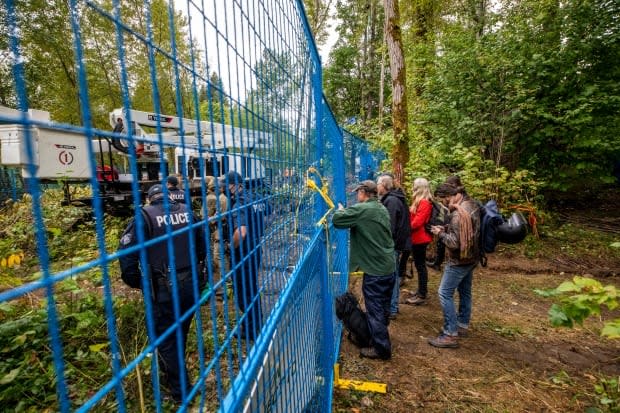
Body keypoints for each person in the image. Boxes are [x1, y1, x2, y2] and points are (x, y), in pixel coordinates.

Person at [118, 184, 206, 402]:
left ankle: (181, 391)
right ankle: (174, 375)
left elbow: (127, 258)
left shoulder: (144, 217)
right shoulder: (188, 212)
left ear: (149, 199)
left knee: (164, 340)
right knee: (180, 331)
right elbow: (202, 247)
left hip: (164, 290)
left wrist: (141, 283)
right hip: (191, 285)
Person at [332, 180, 396, 360]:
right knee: (382, 307)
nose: (356, 196)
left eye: (358, 192)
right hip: (388, 266)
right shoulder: (380, 207)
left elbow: (337, 220)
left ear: (363, 192)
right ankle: (378, 334)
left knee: (374, 308)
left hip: (375, 270)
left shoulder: (364, 210)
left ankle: (381, 349)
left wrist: (341, 211)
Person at [428, 182, 481, 348]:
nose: (444, 204)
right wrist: (447, 227)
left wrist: (441, 233)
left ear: (450, 196)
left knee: (444, 293)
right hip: (472, 258)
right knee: (465, 291)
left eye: (444, 200)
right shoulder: (471, 204)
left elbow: (454, 243)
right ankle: (462, 324)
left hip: (459, 260)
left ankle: (450, 334)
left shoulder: (458, 214)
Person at [221, 171, 269, 343]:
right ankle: (255, 321)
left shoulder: (239, 204)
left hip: (243, 251)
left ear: (234, 185)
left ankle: (250, 329)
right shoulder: (255, 197)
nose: (224, 189)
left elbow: (240, 233)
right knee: (252, 287)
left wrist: (229, 247)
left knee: (243, 292)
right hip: (256, 247)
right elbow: (268, 210)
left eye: (226, 185)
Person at [376, 174, 411, 319]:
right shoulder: (394, 199)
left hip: (392, 246)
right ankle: (391, 306)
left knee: (392, 276)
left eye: (378, 183)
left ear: (384, 185)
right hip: (394, 244)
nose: (377, 186)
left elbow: (389, 226)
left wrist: (384, 245)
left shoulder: (392, 201)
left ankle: (392, 307)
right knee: (392, 275)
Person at [404, 178, 434, 305]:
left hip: (420, 238)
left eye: (414, 186)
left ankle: (422, 294)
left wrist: (405, 228)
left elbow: (417, 222)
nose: (412, 187)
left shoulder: (424, 203)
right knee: (419, 265)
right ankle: (420, 291)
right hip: (417, 237)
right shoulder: (419, 202)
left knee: (421, 266)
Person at [427, 175, 465, 270]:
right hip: (449, 221)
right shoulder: (455, 194)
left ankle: (441, 262)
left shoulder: (459, 196)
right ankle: (437, 262)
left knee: (448, 239)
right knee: (442, 240)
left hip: (455, 223)